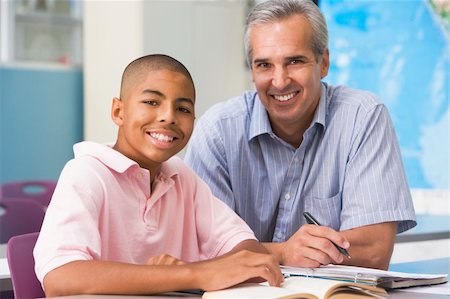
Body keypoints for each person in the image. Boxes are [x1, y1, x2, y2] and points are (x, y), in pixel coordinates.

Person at [184, 0, 416, 270]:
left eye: (294, 61)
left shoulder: (362, 117)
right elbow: (200, 249)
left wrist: (253, 252)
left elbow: (374, 251)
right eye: (264, 65)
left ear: (324, 62)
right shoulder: (218, 132)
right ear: (252, 70)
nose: (280, 81)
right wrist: (283, 252)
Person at [33, 54, 283, 297]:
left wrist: (191, 271)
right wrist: (190, 274)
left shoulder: (181, 177)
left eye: (183, 108)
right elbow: (60, 277)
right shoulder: (87, 174)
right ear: (118, 112)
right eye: (152, 102)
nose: (169, 116)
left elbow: (249, 251)